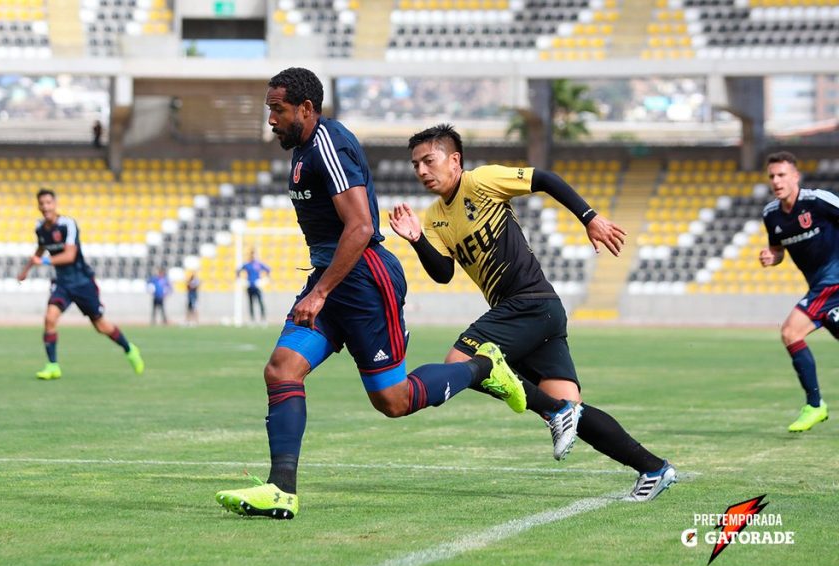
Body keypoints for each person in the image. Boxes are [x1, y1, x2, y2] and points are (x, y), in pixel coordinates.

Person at [215, 68, 571, 520]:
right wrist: (322, 286)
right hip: (332, 277)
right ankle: (282, 489)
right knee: (281, 370)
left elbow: (362, 226)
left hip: (364, 280)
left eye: (277, 110)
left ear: (305, 108)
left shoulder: (328, 142)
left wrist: (320, 292)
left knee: (394, 401)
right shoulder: (304, 150)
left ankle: (485, 366)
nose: (271, 119)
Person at [388, 123, 677, 501]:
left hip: (528, 303)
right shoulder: (435, 218)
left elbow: (545, 179)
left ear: (455, 160)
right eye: (416, 165)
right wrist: (417, 240)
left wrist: (589, 217)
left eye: (429, 161)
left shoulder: (482, 181)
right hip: (536, 312)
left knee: (459, 362)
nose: (422, 171)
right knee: (574, 409)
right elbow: (443, 273)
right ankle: (654, 469)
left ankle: (554, 413)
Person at [16, 188, 144, 379]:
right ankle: (53, 366)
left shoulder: (68, 224)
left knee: (101, 326)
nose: (45, 207)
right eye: (42, 204)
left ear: (55, 204)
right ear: (38, 206)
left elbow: (70, 255)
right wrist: (25, 270)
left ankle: (129, 349)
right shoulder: (40, 228)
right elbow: (41, 248)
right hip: (62, 283)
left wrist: (43, 261)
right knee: (50, 318)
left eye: (48, 203)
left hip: (82, 282)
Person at [759, 151, 838, 432]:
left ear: (795, 176)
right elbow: (778, 250)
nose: (776, 181)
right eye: (772, 176)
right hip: (819, 286)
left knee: (791, 332)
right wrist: (773, 257)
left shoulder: (817, 201)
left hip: (834, 281)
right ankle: (815, 406)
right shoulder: (771, 215)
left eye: (782, 175)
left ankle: (815, 405)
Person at [237, 250, 271, 324]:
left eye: (255, 255)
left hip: (257, 287)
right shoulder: (247, 264)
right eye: (252, 255)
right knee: (251, 303)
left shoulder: (259, 264)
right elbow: (238, 270)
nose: (254, 256)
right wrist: (240, 280)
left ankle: (263, 319)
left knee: (260, 302)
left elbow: (268, 269)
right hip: (250, 287)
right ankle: (252, 319)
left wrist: (265, 280)